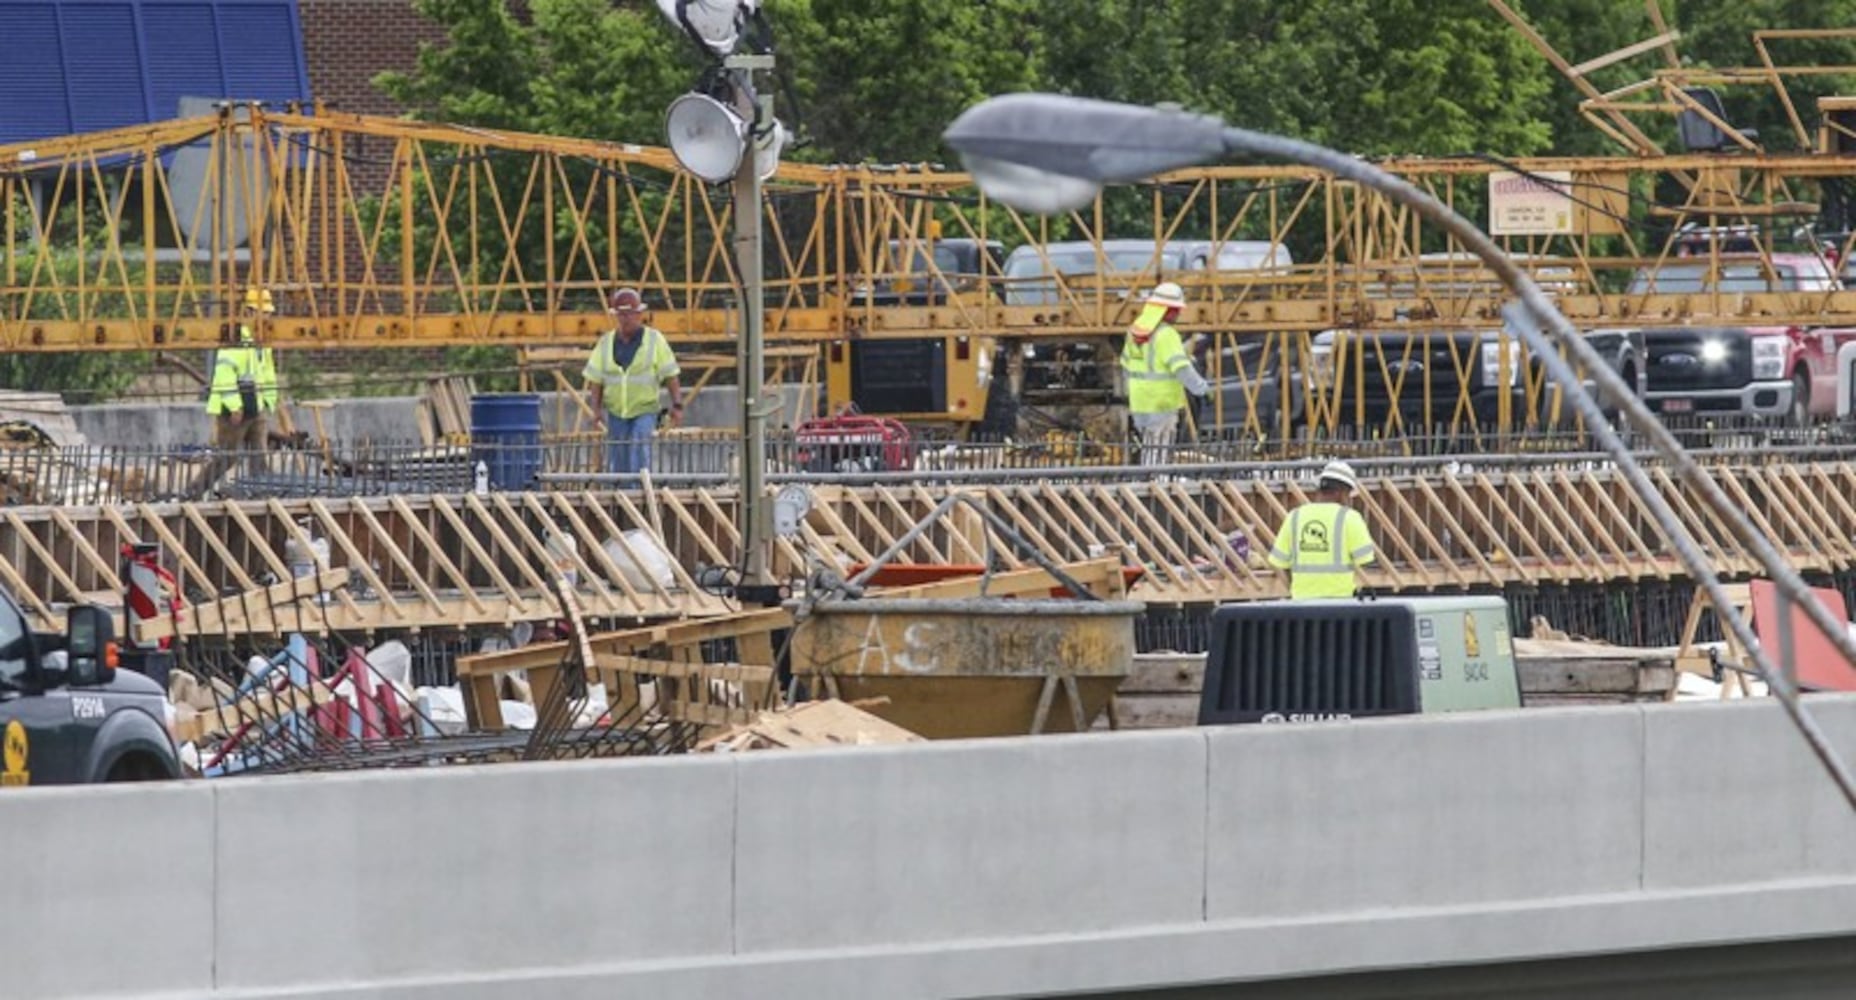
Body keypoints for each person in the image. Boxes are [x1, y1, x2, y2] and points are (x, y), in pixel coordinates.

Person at [583, 288, 683, 474]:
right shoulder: (606, 343)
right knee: (618, 460)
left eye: (629, 314)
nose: (625, 318)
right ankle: (622, 496)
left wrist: (677, 405)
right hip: (616, 412)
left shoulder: (654, 340)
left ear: (639, 314)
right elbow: (595, 381)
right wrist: (595, 410)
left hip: (644, 409)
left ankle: (638, 496)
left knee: (639, 449)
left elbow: (671, 375)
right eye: (621, 314)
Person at [1121, 281, 1208, 466]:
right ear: (1166, 310)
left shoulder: (1135, 332)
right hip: (1162, 402)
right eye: (1175, 310)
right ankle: (1156, 486)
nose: (1178, 314)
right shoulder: (1166, 334)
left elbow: (1125, 366)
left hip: (1139, 401)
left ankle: (1150, 482)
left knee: (1149, 446)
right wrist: (1201, 389)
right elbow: (1181, 368)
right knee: (1159, 450)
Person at [201, 289, 281, 490]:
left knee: (259, 457)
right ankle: (194, 491)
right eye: (264, 313)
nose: (268, 317)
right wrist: (235, 405)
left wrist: (269, 400)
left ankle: (260, 494)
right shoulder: (236, 338)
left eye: (269, 313)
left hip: (256, 406)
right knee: (227, 458)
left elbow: (266, 373)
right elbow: (224, 374)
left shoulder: (263, 341)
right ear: (250, 312)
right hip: (235, 412)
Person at [1267, 460, 1378, 599]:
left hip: (1301, 603)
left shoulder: (1294, 516)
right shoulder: (1350, 518)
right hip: (1340, 603)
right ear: (1342, 492)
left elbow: (1280, 562)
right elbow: (1365, 560)